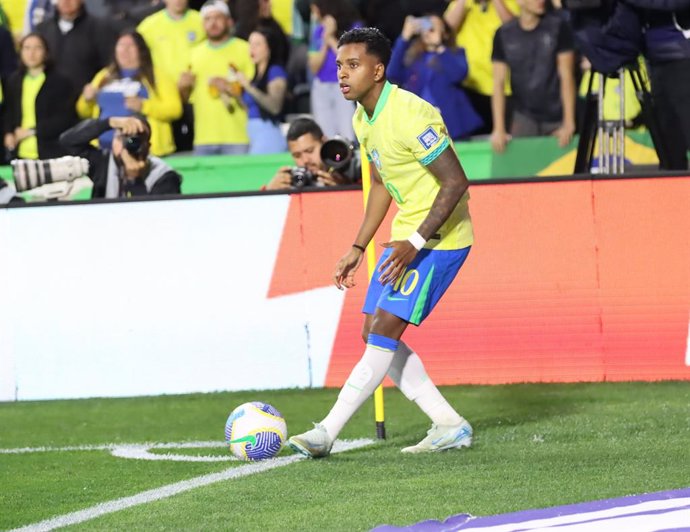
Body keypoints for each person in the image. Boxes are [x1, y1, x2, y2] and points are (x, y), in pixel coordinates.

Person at [288, 27, 474, 458]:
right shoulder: (361, 118)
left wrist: (414, 241)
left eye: (352, 65)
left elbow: (455, 182)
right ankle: (448, 424)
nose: (342, 74)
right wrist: (357, 247)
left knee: (384, 330)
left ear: (378, 70)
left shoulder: (413, 114)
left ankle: (325, 433)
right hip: (407, 237)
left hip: (440, 238)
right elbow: (382, 186)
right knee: (372, 330)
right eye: (339, 65)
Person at [76, 30, 182, 157]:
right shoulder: (104, 76)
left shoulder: (157, 75)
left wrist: (144, 106)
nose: (125, 50)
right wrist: (87, 100)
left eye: (130, 46)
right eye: (121, 45)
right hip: (105, 150)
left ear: (141, 50)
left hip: (146, 152)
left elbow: (175, 109)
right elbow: (83, 111)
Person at [490, 0, 576, 153]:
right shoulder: (504, 34)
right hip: (524, 115)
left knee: (560, 168)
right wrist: (499, 128)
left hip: (556, 114)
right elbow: (498, 83)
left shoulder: (559, 27)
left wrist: (569, 121)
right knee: (523, 169)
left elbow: (567, 76)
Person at [388, 14, 483, 140]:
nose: (429, 30)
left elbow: (458, 74)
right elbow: (391, 73)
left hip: (453, 126)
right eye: (427, 26)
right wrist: (404, 38)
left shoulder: (455, 53)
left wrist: (440, 48)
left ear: (445, 33)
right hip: (422, 124)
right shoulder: (413, 59)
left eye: (434, 27)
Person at [178, 0, 254, 155]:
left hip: (238, 137)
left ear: (229, 21)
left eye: (218, 18)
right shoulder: (193, 54)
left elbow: (254, 93)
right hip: (204, 139)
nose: (213, 23)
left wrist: (230, 88)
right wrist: (183, 88)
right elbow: (186, 99)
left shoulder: (245, 49)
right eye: (207, 19)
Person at [59, 115, 182, 198]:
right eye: (121, 138)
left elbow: (158, 219)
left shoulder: (164, 176)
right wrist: (108, 122)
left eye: (136, 139)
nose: (128, 144)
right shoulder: (103, 162)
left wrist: (135, 181)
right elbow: (67, 142)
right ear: (113, 142)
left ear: (148, 146)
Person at [3, 32, 77, 160]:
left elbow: (66, 118)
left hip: (51, 152)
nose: (31, 53)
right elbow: (8, 112)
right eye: (27, 48)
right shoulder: (13, 81)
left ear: (46, 52)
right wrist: (8, 133)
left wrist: (31, 131)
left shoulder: (60, 82)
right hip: (20, 154)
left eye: (37, 48)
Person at [35, 0, 117, 101]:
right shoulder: (42, 30)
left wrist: (96, 89)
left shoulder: (100, 29)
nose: (66, 1)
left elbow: (110, 68)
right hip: (46, 104)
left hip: (85, 103)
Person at [308, 0, 362, 139]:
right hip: (321, 86)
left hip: (345, 84)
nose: (314, 15)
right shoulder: (318, 31)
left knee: (347, 131)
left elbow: (351, 60)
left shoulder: (354, 28)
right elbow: (314, 67)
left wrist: (331, 37)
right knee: (325, 133)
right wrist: (324, 41)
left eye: (315, 10)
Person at [263, 116, 360, 190]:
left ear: (324, 141)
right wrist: (270, 193)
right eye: (297, 155)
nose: (305, 160)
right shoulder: (290, 182)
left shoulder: (350, 168)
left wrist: (346, 188)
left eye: (309, 151)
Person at [238, 26, 288, 154]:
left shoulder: (275, 72)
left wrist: (248, 86)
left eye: (257, 44)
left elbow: (274, 106)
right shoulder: (255, 75)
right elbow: (251, 108)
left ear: (269, 48)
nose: (252, 49)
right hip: (253, 133)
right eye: (250, 44)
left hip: (268, 134)